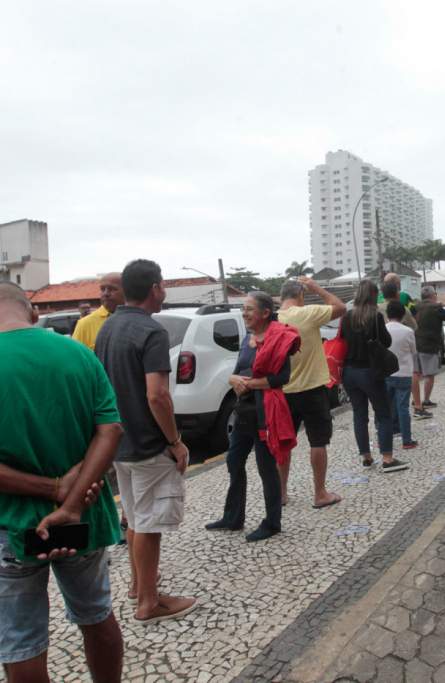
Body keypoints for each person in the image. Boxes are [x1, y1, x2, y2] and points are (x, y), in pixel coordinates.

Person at [0, 282, 124, 681]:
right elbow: (110, 431)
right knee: (96, 616)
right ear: (34, 313)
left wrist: (51, 490)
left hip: (6, 528)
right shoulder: (77, 354)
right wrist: (68, 501)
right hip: (79, 522)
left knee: (22, 643)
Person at [95, 259, 196, 625]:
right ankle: (149, 604)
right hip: (149, 445)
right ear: (154, 289)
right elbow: (158, 396)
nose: (164, 292)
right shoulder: (151, 332)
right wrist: (175, 441)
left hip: (119, 444)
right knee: (150, 524)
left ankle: (139, 585)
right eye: (164, 286)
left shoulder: (107, 328)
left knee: (136, 517)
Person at [206, 291, 300, 540]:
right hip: (244, 412)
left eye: (249, 309)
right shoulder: (247, 340)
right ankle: (233, 518)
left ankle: (272, 522)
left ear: (265, 313)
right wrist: (232, 378)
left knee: (266, 468)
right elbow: (236, 371)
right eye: (243, 309)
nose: (244, 313)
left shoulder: (278, 338)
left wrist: (249, 384)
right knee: (234, 461)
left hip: (264, 411)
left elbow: (282, 378)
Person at [276, 276, 347, 508]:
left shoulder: (274, 320)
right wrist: (318, 288)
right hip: (313, 389)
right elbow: (340, 307)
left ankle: (281, 494)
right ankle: (319, 494)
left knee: (284, 443)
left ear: (280, 298)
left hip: (283, 391)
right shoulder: (308, 314)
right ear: (301, 296)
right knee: (317, 441)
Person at [341, 280, 409, 473]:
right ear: (373, 296)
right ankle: (388, 459)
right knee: (383, 414)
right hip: (369, 372)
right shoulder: (376, 316)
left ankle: (366, 457)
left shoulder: (347, 316)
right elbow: (386, 342)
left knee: (359, 415)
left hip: (349, 372)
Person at [380, 301, 419, 449]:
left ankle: (382, 439)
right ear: (403, 315)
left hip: (386, 373)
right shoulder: (408, 331)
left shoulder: (382, 329)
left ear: (387, 315)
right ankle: (406, 440)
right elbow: (413, 351)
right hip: (404, 373)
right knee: (403, 407)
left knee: (384, 409)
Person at [413, 286, 445, 410]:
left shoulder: (415, 306)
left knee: (415, 373)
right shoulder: (436, 308)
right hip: (430, 345)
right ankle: (425, 400)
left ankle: (415, 400)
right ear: (431, 295)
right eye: (435, 294)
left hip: (416, 345)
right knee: (429, 374)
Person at [73, 273, 125, 351]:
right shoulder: (84, 324)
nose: (105, 293)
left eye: (111, 289)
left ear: (126, 291)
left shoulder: (136, 319)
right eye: (102, 289)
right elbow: (75, 357)